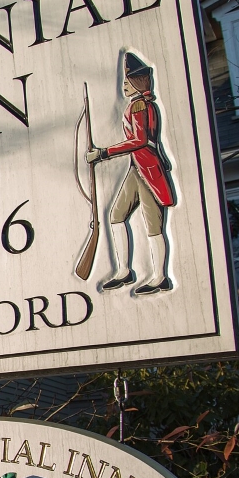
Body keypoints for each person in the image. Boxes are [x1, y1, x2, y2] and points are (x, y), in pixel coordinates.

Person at [87, 52, 176, 296]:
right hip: (138, 168)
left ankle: (160, 277)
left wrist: (104, 153)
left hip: (148, 170)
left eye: (127, 82)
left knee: (153, 225)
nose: (124, 86)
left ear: (137, 83)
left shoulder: (139, 105)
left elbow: (139, 140)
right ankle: (124, 270)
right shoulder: (138, 104)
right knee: (116, 215)